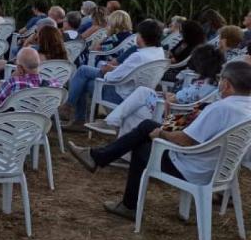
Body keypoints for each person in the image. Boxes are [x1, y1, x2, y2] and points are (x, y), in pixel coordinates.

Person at [68, 60, 251, 220]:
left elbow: (187, 140)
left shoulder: (222, 108)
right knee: (148, 126)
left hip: (191, 168)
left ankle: (126, 202)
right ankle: (97, 157)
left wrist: (162, 134)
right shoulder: (245, 108)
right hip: (217, 169)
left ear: (226, 85)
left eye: (220, 81)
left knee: (142, 144)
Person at [88, 45, 225, 137]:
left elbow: (172, 101)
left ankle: (112, 125)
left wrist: (168, 96)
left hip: (174, 121)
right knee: (143, 95)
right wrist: (170, 96)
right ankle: (113, 126)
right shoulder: (215, 84)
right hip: (183, 118)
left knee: (139, 101)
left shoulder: (200, 85)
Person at [66, 19, 165, 127]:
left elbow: (112, 78)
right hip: (138, 93)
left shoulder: (139, 56)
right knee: (84, 74)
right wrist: (113, 69)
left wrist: (107, 71)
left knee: (83, 74)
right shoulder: (159, 53)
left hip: (121, 95)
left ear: (142, 37)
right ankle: (74, 114)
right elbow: (128, 72)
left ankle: (70, 109)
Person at [0, 48, 60, 128]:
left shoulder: (14, 82)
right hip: (35, 129)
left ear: (20, 68)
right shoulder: (53, 85)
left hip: (10, 128)